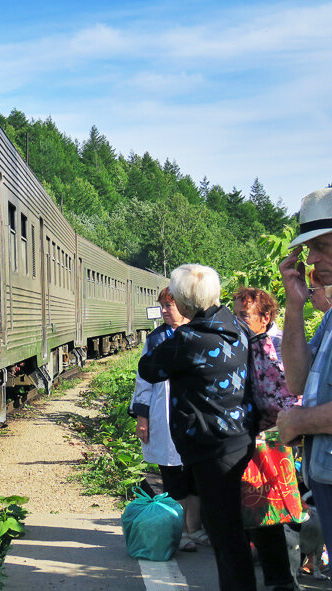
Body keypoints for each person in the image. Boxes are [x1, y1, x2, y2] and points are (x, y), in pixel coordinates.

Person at [138, 263, 256, 591]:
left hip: (209, 444)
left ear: (186, 300)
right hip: (239, 438)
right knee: (231, 529)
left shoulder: (190, 338)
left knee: (224, 534)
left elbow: (149, 368)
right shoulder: (236, 326)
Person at [233, 287, 303, 591]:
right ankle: (278, 576)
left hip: (286, 439)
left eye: (244, 315)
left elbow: (296, 392)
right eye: (236, 315)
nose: (239, 322)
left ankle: (290, 575)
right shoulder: (244, 343)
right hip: (259, 438)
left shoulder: (281, 344)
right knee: (262, 507)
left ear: (266, 316)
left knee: (284, 510)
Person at [277, 187, 332, 557]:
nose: (311, 259)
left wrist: (300, 421)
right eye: (310, 248)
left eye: (322, 246)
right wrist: (294, 306)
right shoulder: (330, 318)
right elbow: (297, 380)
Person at [130, 287, 206, 552]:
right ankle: (180, 531)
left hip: (196, 415)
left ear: (184, 305)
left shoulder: (200, 333)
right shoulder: (156, 339)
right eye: (161, 305)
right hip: (164, 415)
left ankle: (195, 528)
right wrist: (142, 417)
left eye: (168, 306)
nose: (163, 311)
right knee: (173, 474)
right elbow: (143, 381)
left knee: (195, 473)